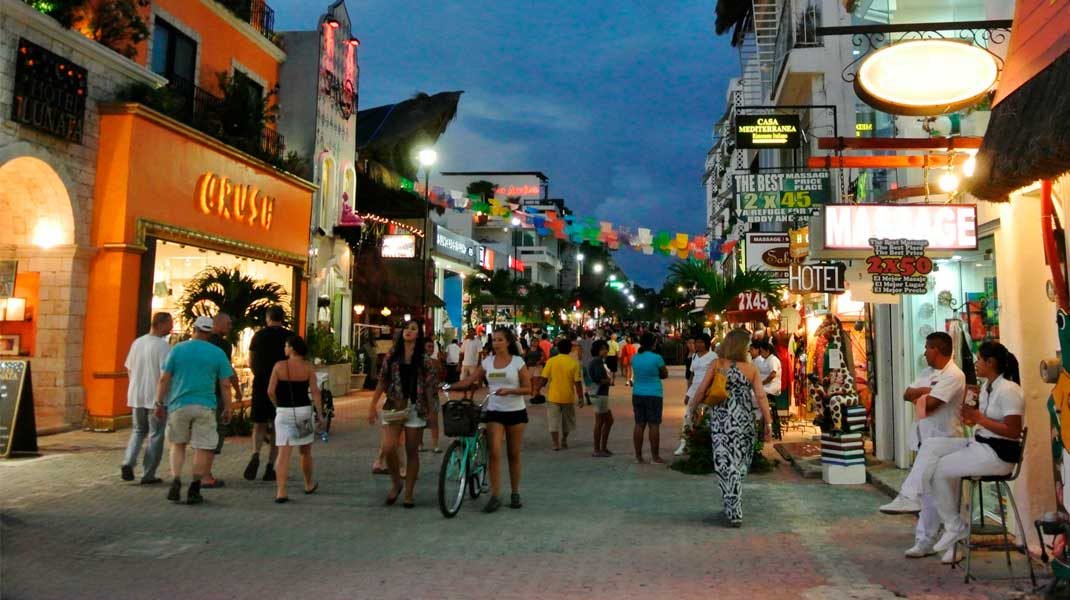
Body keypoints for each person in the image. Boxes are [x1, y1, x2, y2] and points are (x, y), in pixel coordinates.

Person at [876, 335, 976, 562]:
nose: (924, 352)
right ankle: (926, 539)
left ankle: (954, 545)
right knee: (930, 494)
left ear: (938, 349)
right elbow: (906, 394)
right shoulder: (927, 372)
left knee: (949, 494)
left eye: (927, 348)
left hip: (947, 439)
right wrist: (925, 391)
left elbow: (931, 405)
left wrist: (921, 394)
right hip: (925, 438)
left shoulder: (954, 375)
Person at [690, 328, 773, 527]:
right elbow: (761, 397)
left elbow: (701, 390)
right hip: (743, 420)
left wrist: (692, 409)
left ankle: (733, 506)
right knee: (740, 463)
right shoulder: (750, 369)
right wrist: (767, 422)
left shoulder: (717, 364)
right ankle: (733, 505)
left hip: (721, 421)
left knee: (724, 464)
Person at [154, 316, 234, 505]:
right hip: (205, 405)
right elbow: (225, 384)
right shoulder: (217, 353)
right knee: (204, 447)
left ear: (194, 329)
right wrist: (228, 407)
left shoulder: (178, 349)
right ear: (210, 332)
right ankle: (195, 486)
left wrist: (158, 403)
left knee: (177, 444)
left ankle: (175, 480)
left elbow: (164, 378)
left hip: (178, 404)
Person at [453, 327, 531, 512]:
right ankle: (495, 495)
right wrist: (449, 386)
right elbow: (469, 380)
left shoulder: (518, 362)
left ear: (508, 342)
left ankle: (515, 492)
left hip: (515, 411)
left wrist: (510, 391)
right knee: (494, 452)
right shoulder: (487, 362)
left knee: (513, 454)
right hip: (494, 410)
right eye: (494, 340)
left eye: (500, 340)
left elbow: (528, 389)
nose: (496, 343)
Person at [367, 321, 439, 507]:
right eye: (407, 328)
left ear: (418, 335)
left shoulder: (423, 359)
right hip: (395, 405)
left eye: (413, 329)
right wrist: (372, 404)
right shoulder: (392, 355)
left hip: (416, 407)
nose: (409, 331)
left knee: (412, 451)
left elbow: (431, 387)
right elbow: (383, 380)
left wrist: (432, 413)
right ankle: (396, 482)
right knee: (389, 447)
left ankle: (408, 492)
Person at [266, 335, 324, 503]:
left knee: (284, 453)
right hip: (304, 412)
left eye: (286, 345)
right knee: (305, 451)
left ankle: (281, 491)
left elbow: (270, 391)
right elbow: (315, 392)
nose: (284, 348)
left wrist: (278, 405)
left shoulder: (279, 366)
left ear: (292, 348)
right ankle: (308, 484)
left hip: (284, 412)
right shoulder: (308, 367)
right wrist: (319, 414)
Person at [121, 312, 173, 485]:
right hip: (155, 398)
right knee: (156, 435)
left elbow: (129, 369)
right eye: (170, 324)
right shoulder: (163, 347)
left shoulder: (137, 343)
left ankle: (128, 461)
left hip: (137, 396)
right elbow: (165, 375)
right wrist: (161, 400)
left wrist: (134, 386)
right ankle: (148, 473)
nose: (171, 327)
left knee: (138, 431)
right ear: (161, 323)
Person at [244, 306, 292, 482]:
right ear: (282, 318)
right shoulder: (289, 337)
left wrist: (259, 373)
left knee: (259, 423)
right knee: (277, 426)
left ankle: (256, 453)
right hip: (283, 386)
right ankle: (271, 466)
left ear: (268, 318)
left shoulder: (258, 336)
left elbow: (251, 360)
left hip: (262, 383)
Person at [204, 313, 242, 488]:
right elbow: (227, 372)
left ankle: (198, 471)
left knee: (203, 434)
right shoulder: (223, 345)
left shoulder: (195, 343)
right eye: (228, 324)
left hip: (198, 395)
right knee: (215, 432)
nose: (230, 327)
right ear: (217, 324)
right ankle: (206, 472)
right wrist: (236, 391)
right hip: (215, 395)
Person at [675, 333, 717, 456]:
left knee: (707, 418)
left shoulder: (713, 356)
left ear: (706, 343)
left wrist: (708, 391)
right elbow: (692, 376)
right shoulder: (694, 357)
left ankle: (709, 445)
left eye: (700, 342)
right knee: (688, 416)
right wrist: (688, 393)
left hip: (707, 391)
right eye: (696, 342)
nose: (698, 344)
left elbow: (715, 376)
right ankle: (684, 444)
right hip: (694, 390)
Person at [539, 338, 583, 451]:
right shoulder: (574, 363)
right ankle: (564, 439)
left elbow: (543, 379)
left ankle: (555, 443)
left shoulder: (551, 361)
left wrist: (536, 389)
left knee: (553, 421)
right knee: (567, 421)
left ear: (558, 349)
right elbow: (577, 382)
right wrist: (581, 397)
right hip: (568, 397)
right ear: (570, 350)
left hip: (553, 396)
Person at [630, 332, 668, 464]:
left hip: (637, 393)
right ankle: (655, 457)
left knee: (639, 424)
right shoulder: (657, 358)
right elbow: (664, 374)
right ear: (653, 343)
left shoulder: (634, 358)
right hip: (654, 394)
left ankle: (638, 456)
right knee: (654, 425)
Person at [587, 340, 614, 457]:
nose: (606, 351)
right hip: (600, 394)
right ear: (598, 350)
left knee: (607, 420)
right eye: (603, 349)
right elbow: (599, 379)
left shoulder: (594, 361)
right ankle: (598, 449)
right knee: (601, 421)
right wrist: (608, 380)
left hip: (597, 394)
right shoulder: (597, 361)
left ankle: (602, 447)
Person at [422, 338, 444, 453]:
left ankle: (435, 444)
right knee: (420, 420)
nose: (430, 349)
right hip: (421, 394)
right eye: (428, 346)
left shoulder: (436, 361)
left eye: (432, 347)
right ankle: (419, 444)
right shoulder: (419, 362)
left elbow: (440, 375)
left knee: (434, 420)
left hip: (433, 393)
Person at [757, 342, 783, 438]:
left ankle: (763, 422)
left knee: (756, 394)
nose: (761, 353)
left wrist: (762, 383)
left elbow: (773, 374)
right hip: (767, 385)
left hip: (772, 386)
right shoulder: (766, 360)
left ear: (767, 351)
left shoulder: (773, 360)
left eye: (762, 351)